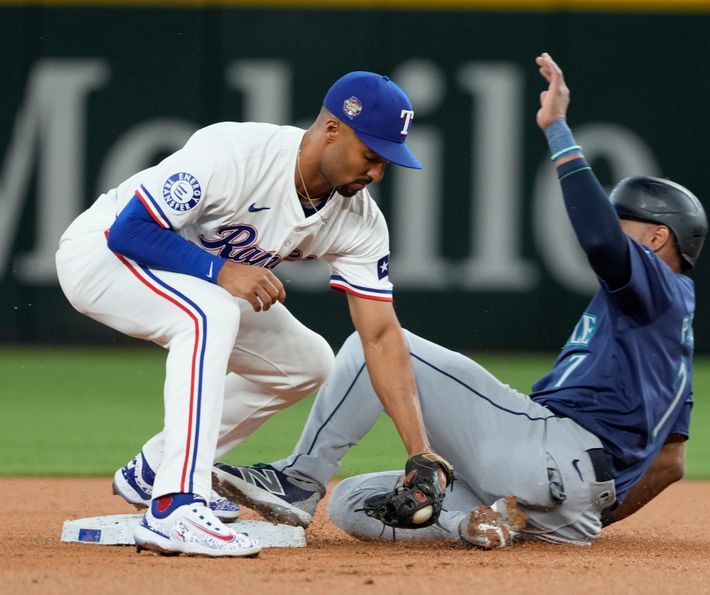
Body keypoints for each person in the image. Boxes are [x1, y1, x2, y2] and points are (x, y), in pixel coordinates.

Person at [212, 52, 708, 549]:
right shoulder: (666, 340)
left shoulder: (658, 284)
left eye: (622, 218)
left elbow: (600, 241)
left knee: (377, 344)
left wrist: (556, 128)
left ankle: (299, 479)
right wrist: (582, 511)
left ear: (659, 238)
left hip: (555, 452)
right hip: (564, 497)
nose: (611, 224)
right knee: (351, 502)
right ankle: (475, 521)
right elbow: (670, 464)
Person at [55, 71, 453, 557]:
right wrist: (219, 270)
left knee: (307, 362)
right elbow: (129, 231)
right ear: (331, 130)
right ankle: (175, 507)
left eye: (387, 162)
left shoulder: (360, 221)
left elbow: (382, 336)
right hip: (101, 256)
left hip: (196, 279)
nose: (376, 173)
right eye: (371, 155)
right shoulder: (237, 153)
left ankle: (156, 470)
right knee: (211, 312)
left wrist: (419, 449)